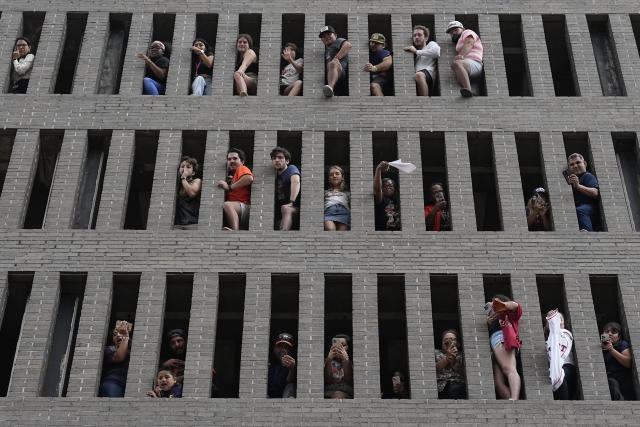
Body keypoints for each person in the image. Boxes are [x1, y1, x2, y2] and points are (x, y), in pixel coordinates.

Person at [485, 295, 522, 400]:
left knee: (509, 369)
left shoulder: (509, 314)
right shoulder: (494, 319)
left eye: (495, 304)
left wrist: (503, 306)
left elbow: (516, 306)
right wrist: (489, 322)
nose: (494, 307)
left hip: (503, 338)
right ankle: (510, 402)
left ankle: (514, 399)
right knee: (498, 381)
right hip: (495, 345)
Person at [217, 148, 253, 230]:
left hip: (244, 207)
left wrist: (229, 187)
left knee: (227, 204)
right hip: (237, 211)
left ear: (242, 162)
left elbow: (248, 178)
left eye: (235, 158)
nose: (232, 161)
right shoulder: (233, 176)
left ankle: (235, 233)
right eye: (229, 159)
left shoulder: (241, 168)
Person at [446, 21, 483, 98]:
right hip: (468, 66)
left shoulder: (467, 32)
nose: (453, 33)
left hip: (475, 63)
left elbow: (469, 43)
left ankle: (468, 90)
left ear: (462, 29)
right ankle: (470, 91)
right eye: (451, 32)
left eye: (456, 30)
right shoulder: (459, 41)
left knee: (457, 63)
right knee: (456, 65)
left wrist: (461, 56)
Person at [545, 309, 576, 400]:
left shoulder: (565, 333)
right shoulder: (547, 341)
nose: (557, 321)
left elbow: (563, 342)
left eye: (559, 319)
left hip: (567, 366)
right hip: (553, 371)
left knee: (560, 376)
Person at [566, 153, 599, 231]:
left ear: (584, 163)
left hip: (590, 209)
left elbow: (595, 193)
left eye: (578, 162)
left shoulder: (587, 176)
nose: (575, 166)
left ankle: (588, 235)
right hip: (579, 211)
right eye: (572, 164)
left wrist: (578, 186)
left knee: (581, 210)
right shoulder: (572, 179)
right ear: (569, 168)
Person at [601, 321, 634, 400]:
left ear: (619, 336)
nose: (609, 334)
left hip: (622, 380)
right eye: (607, 331)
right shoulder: (600, 347)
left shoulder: (621, 344)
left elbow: (628, 362)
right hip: (607, 379)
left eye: (613, 332)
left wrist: (612, 350)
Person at [403, 25, 440, 96]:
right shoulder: (416, 56)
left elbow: (436, 52)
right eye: (414, 35)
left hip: (428, 75)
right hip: (419, 80)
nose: (416, 37)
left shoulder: (430, 44)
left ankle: (425, 102)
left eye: (419, 35)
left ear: (426, 38)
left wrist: (416, 51)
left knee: (419, 75)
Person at [99, 320, 132, 397]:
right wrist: (125, 337)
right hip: (114, 384)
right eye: (115, 334)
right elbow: (119, 357)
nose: (118, 335)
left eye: (121, 332)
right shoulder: (110, 349)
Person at [271, 146, 300, 230]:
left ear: (287, 161)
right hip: (281, 215)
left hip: (295, 209)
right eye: (274, 158)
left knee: (286, 209)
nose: (276, 160)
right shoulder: (275, 176)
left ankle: (282, 239)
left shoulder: (291, 169)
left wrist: (291, 202)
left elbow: (296, 182)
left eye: (280, 158)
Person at [319, 25, 352, 98]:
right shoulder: (326, 52)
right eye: (323, 36)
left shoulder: (338, 41)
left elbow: (348, 45)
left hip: (341, 73)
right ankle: (330, 90)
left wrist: (336, 58)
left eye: (329, 34)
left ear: (335, 35)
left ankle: (330, 87)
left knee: (333, 63)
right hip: (333, 79)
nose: (326, 37)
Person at [435, 329, 466, 399]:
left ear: (458, 343)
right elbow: (433, 369)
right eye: (446, 339)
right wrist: (446, 359)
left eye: (452, 339)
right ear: (442, 343)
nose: (448, 341)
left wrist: (454, 362)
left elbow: (465, 373)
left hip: (459, 385)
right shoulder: (435, 352)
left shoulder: (462, 355)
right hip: (441, 386)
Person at [267, 332, 297, 398]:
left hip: (283, 395)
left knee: (291, 386)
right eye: (280, 346)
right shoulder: (267, 359)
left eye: (286, 347)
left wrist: (292, 369)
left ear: (290, 350)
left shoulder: (292, 362)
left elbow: (289, 382)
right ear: (274, 348)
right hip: (267, 395)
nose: (282, 350)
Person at [175, 156, 202, 227]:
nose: (184, 169)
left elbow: (192, 193)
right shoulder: (178, 185)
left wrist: (183, 178)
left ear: (193, 173)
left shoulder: (197, 181)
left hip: (192, 223)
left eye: (188, 167)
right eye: (182, 166)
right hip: (179, 224)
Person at [324, 334, 353, 398]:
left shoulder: (351, 362)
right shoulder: (326, 361)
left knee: (339, 395)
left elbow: (349, 380)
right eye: (336, 345)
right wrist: (329, 360)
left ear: (347, 347)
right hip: (329, 392)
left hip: (347, 391)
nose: (339, 348)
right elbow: (327, 380)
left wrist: (346, 360)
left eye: (343, 345)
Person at [373, 161, 401, 231]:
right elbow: (377, 189)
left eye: (391, 186)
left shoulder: (398, 201)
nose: (388, 187)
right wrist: (378, 169)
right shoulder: (382, 199)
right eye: (385, 186)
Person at [324, 165, 350, 231]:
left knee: (341, 235)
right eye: (331, 174)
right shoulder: (325, 192)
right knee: (330, 229)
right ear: (329, 178)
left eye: (337, 174)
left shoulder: (347, 193)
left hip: (344, 213)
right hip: (329, 213)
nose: (334, 176)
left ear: (342, 177)